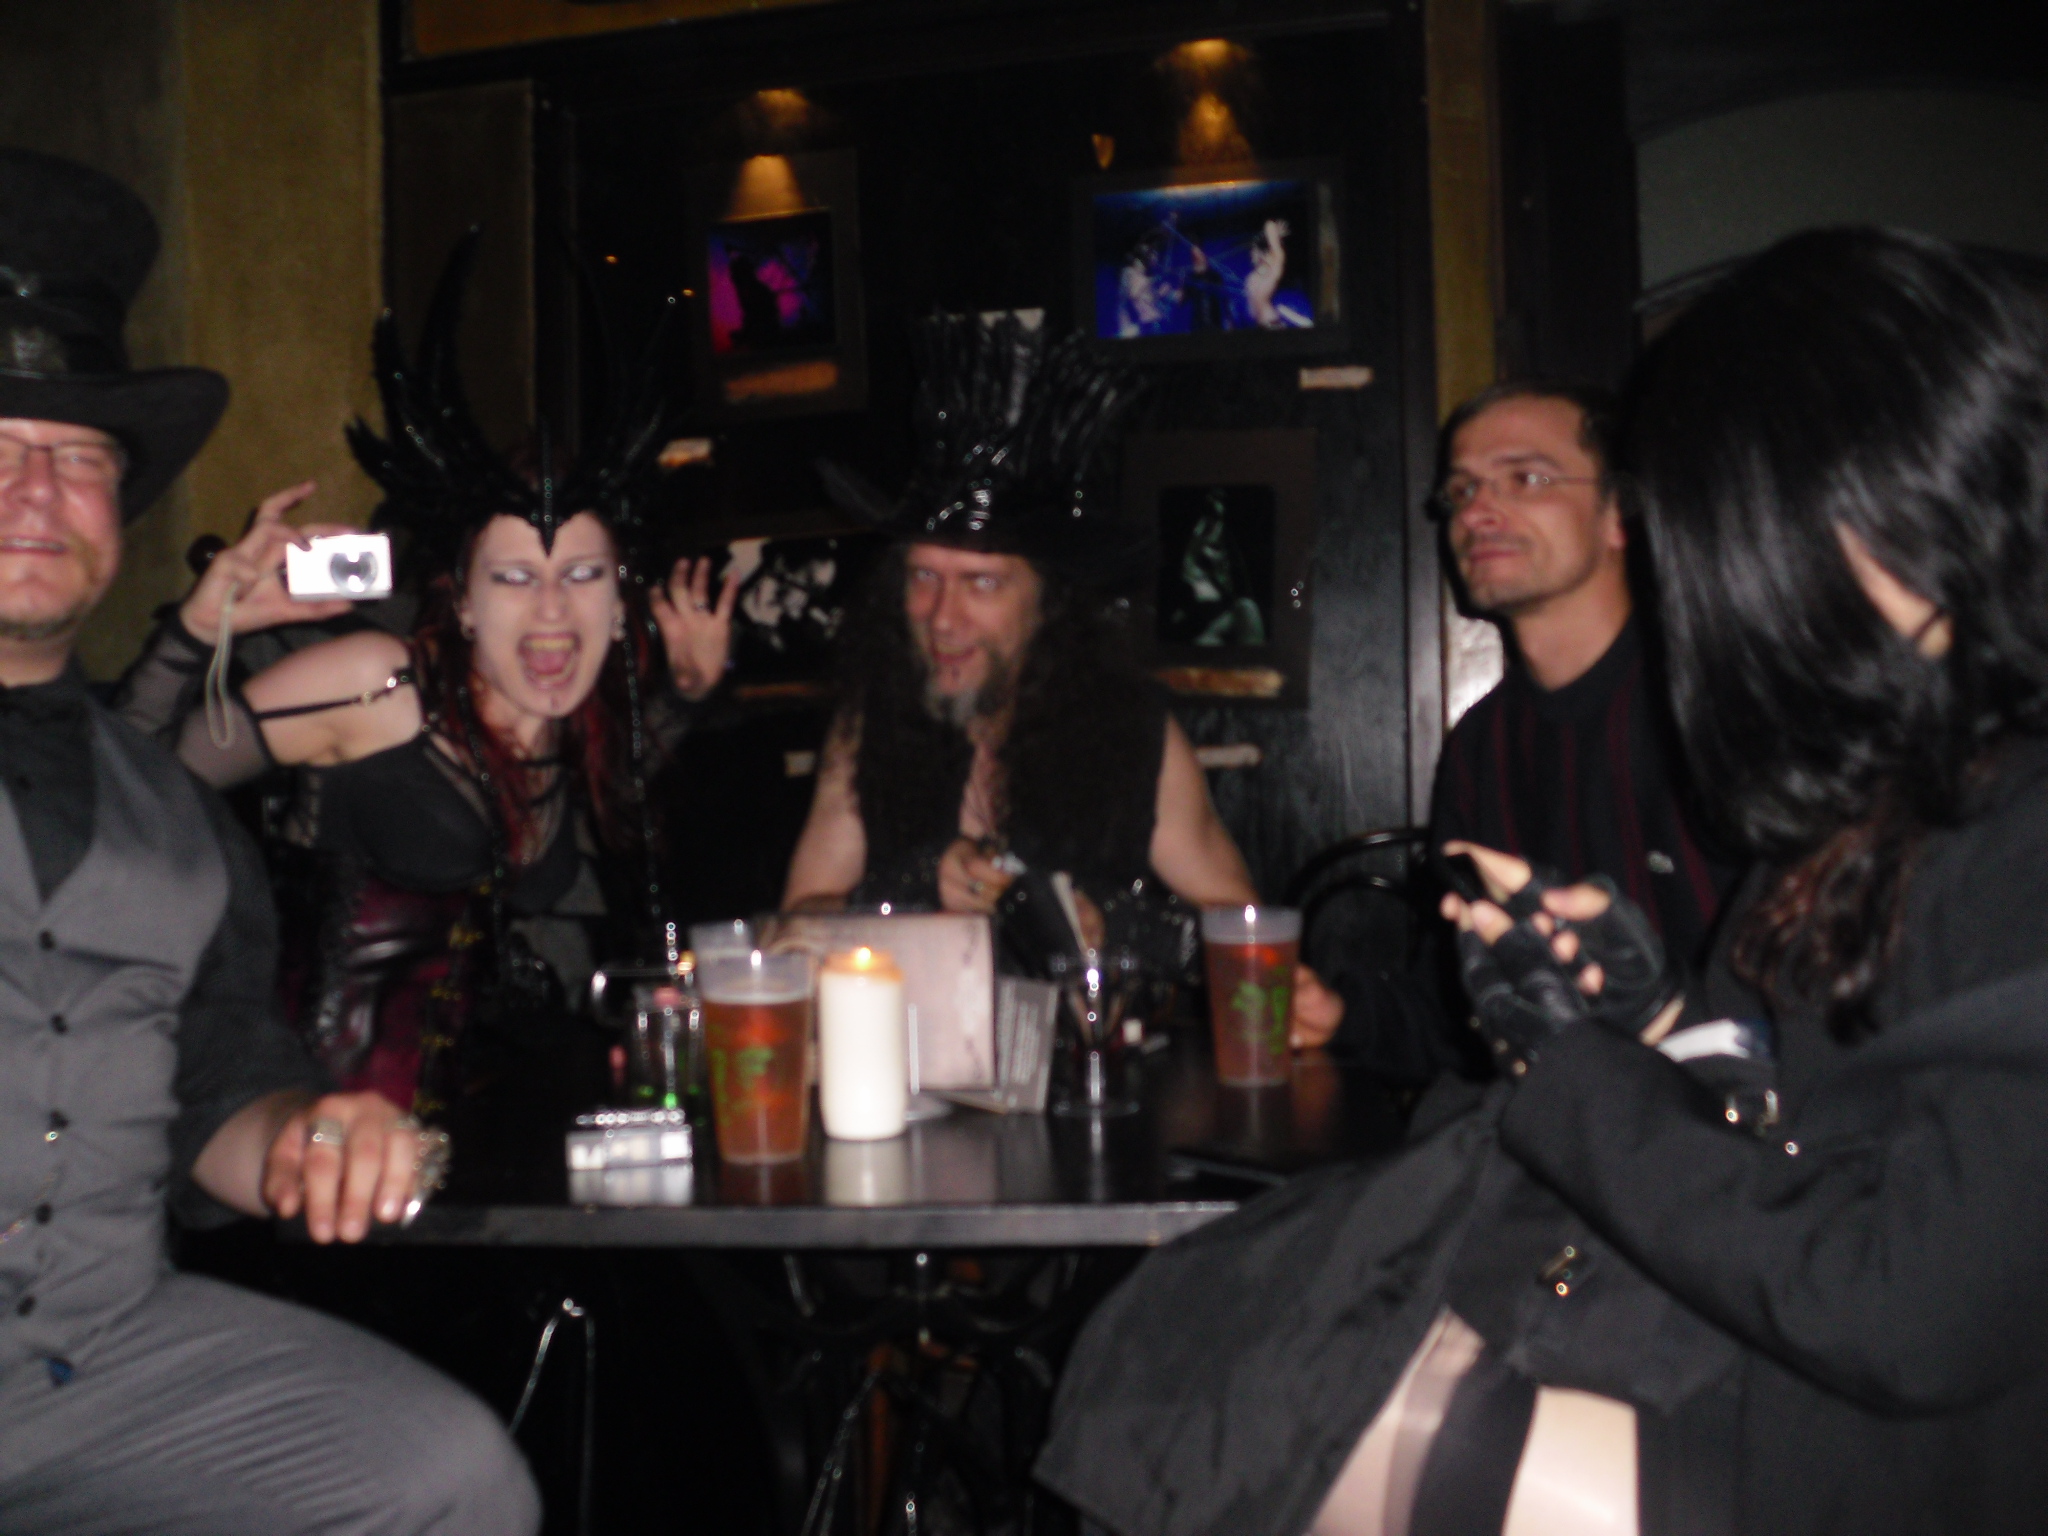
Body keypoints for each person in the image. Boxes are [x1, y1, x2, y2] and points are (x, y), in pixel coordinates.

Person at [1041, 228, 2048, 1536]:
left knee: (1254, 1386)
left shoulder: (1924, 798)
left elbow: (1908, 1302)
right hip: (1728, 1319)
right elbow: (1784, 1071)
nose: (1712, 563)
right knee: (1210, 1345)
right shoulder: (1826, 785)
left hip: (1844, 1433)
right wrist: (1645, 1012)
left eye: (1714, 509)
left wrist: (1580, 1068)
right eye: (1461, 488)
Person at [0, 147, 535, 1534]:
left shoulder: (168, 811)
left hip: (100, 1359)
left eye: (78, 457)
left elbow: (214, 1082)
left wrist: (307, 1130)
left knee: (452, 1478)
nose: (36, 492)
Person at [114, 234, 736, 1116]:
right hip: (318, 1140)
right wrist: (194, 631)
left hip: (484, 1132)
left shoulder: (574, 720)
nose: (552, 609)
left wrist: (691, 695)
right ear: (465, 602)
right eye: (513, 577)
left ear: (617, 600)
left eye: (581, 574)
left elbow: (619, 812)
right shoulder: (377, 683)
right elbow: (125, 789)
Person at [1292, 378, 1735, 1083]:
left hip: (1738, 1125)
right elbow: (1460, 1019)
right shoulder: (1481, 745)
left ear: (1618, 516)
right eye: (1462, 490)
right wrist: (1341, 1016)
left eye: (1526, 479)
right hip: (1562, 1126)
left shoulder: (1716, 704)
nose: (1478, 511)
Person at [788, 312, 1256, 960]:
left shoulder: (1131, 733)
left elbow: (1242, 926)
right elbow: (795, 923)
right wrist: (911, 887)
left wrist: (1116, 925)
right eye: (924, 576)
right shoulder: (868, 731)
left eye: (981, 584)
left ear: (1046, 603)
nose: (941, 616)